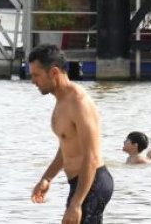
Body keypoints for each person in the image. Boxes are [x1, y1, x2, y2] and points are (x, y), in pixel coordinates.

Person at [28, 43, 113, 224]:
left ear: (54, 72)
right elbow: (66, 147)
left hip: (92, 183)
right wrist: (47, 178)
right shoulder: (61, 100)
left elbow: (91, 156)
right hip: (81, 184)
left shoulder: (79, 102)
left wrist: (76, 203)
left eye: (36, 75)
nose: (33, 81)